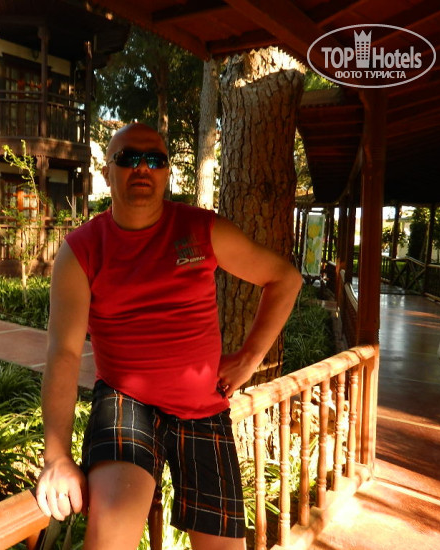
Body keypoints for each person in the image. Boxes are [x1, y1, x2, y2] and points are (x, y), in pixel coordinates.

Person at [35, 122, 302, 550]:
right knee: (109, 539)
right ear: (108, 173)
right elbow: (64, 352)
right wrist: (57, 457)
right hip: (125, 402)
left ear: (167, 172)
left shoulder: (201, 229)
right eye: (128, 158)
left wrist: (249, 358)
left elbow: (284, 279)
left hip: (204, 409)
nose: (142, 167)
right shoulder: (82, 249)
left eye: (155, 159)